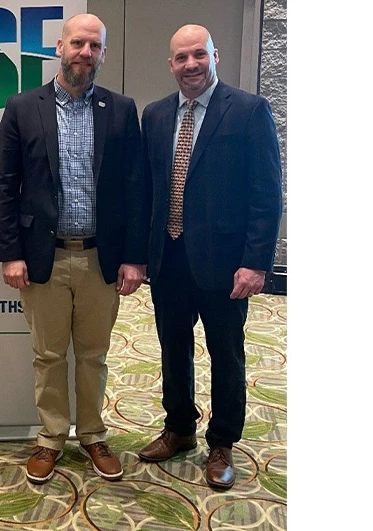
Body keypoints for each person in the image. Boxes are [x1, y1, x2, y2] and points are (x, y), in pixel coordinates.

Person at [0, 14, 147, 484]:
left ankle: (93, 434)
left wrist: (135, 256)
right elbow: (6, 185)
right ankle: (50, 437)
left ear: (102, 52)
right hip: (45, 257)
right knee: (48, 354)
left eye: (94, 46)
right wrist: (11, 253)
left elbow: (136, 187)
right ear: (59, 46)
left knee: (94, 354)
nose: (86, 52)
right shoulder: (22, 106)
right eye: (78, 43)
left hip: (102, 257)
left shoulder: (121, 109)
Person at [137, 24, 283, 490]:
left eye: (199, 55)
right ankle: (179, 427)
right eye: (181, 58)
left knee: (226, 353)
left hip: (225, 263)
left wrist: (256, 261)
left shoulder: (248, 110)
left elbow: (267, 192)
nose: (191, 65)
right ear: (171, 64)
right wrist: (142, 255)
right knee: (172, 349)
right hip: (169, 259)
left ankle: (222, 441)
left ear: (214, 56)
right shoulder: (156, 116)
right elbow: (150, 194)